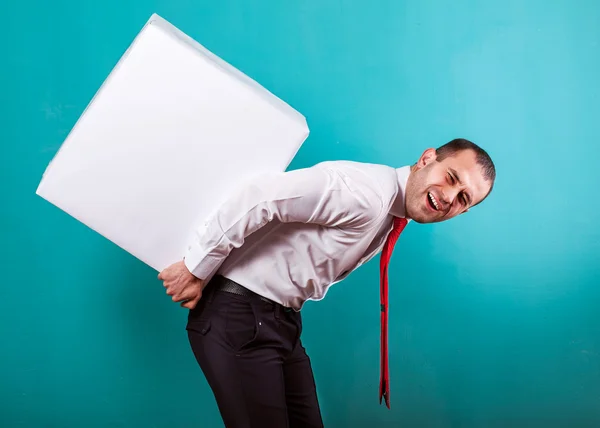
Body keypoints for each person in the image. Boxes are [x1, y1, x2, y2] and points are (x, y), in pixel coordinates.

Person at [158, 138, 496, 428]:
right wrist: (196, 268)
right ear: (427, 158)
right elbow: (261, 195)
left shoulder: (387, 211)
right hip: (239, 316)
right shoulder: (366, 192)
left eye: (463, 198)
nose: (450, 197)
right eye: (451, 178)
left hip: (280, 322)